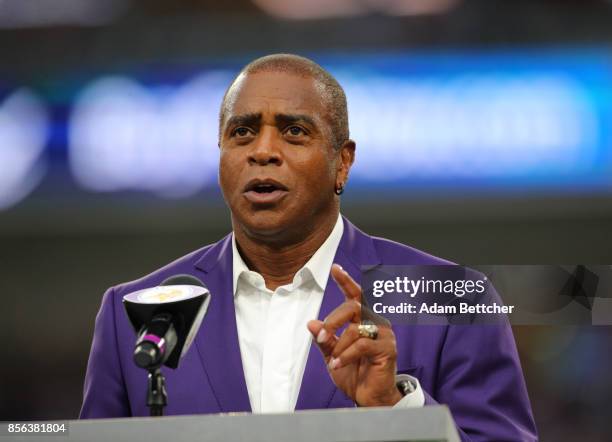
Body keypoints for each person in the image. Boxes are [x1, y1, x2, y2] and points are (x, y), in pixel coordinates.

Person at [80, 54, 537, 441]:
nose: (263, 151)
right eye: (242, 132)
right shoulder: (132, 314)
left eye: (294, 131)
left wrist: (395, 406)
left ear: (343, 162)